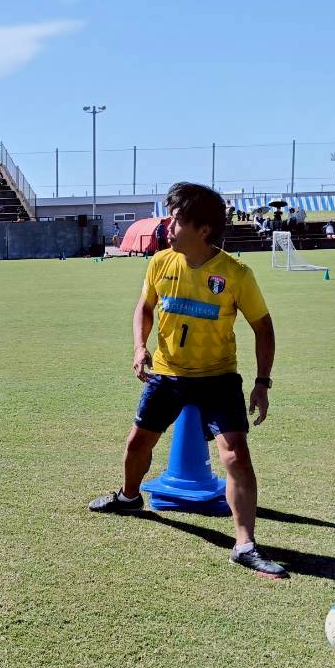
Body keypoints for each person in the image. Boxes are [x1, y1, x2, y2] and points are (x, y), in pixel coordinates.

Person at [88, 182, 283, 579]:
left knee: (236, 455)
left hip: (218, 378)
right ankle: (129, 497)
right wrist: (139, 347)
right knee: (137, 443)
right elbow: (144, 308)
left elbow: (263, 328)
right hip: (167, 373)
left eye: (176, 220)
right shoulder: (160, 262)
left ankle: (245, 544)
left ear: (203, 229)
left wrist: (262, 382)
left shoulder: (236, 274)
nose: (168, 226)